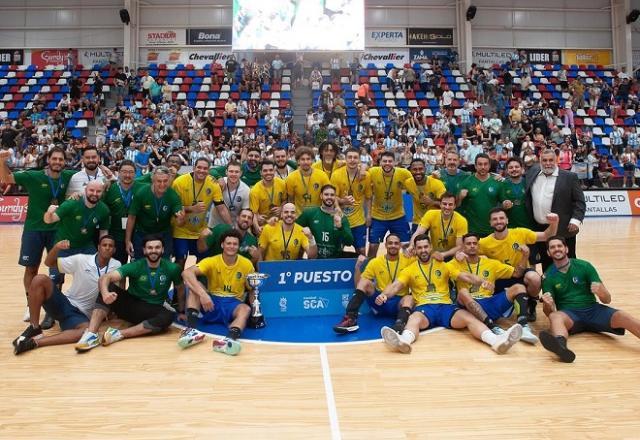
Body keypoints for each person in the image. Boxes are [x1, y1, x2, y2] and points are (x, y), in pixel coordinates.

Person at [378, 234, 523, 354]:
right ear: (415, 250)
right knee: (414, 319)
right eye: (420, 247)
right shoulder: (409, 270)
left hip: (446, 307)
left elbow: (465, 276)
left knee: (469, 318)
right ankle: (404, 341)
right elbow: (397, 285)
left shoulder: (445, 265)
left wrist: (481, 282)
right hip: (425, 308)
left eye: (426, 247)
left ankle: (496, 341)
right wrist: (385, 294)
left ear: (430, 248)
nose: (423, 250)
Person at [0, 147, 76, 325]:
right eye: (54, 159)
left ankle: (53, 309)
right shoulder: (33, 176)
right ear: (48, 160)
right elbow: (6, 179)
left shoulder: (69, 176)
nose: (58, 162)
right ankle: (30, 303)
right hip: (34, 229)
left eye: (61, 159)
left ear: (65, 162)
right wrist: (1, 162)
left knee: (57, 270)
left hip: (57, 230)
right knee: (31, 269)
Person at [12, 236, 121, 355]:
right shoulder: (81, 260)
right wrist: (56, 248)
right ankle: (34, 327)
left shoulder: (116, 266)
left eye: (110, 246)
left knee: (86, 332)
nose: (107, 248)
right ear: (98, 247)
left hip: (79, 316)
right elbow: (49, 263)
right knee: (39, 279)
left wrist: (110, 312)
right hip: (65, 303)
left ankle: (35, 342)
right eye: (104, 245)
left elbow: (114, 291)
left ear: (114, 250)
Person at [74, 234, 184, 351]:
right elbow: (105, 277)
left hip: (152, 309)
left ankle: (117, 334)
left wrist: (181, 311)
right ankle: (91, 335)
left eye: (157, 247)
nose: (153, 251)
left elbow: (180, 290)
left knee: (168, 316)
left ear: (162, 250)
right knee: (109, 286)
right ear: (144, 250)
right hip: (131, 305)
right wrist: (106, 293)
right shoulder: (136, 266)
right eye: (150, 248)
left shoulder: (173, 268)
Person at [539, 236, 640, 363]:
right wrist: (548, 304)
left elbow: (607, 299)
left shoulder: (584, 266)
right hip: (570, 315)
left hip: (594, 310)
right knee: (555, 317)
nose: (556, 249)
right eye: (552, 247)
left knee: (623, 316)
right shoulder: (548, 276)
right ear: (548, 253)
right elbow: (549, 312)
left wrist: (601, 291)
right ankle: (561, 347)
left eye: (559, 246)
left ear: (566, 249)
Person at [448, 233, 538, 344]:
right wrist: (455, 256)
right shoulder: (453, 264)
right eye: (468, 244)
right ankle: (492, 326)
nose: (472, 246)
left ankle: (524, 326)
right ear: (463, 247)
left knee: (519, 287)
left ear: (479, 246)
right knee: (462, 292)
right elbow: (460, 275)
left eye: (475, 243)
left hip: (489, 302)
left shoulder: (491, 264)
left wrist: (525, 256)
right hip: (468, 306)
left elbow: (517, 273)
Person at [180, 230, 256, 355]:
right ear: (222, 245)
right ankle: (191, 331)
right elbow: (186, 273)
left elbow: (252, 288)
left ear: (238, 246)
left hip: (233, 303)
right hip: (211, 302)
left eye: (235, 244)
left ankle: (229, 340)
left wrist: (255, 313)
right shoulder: (212, 261)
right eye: (228, 243)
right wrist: (203, 295)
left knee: (245, 309)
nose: (231, 246)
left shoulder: (246, 264)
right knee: (196, 287)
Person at [479, 207, 558, 321]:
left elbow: (546, 236)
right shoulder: (485, 243)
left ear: (507, 220)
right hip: (501, 277)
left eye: (501, 218)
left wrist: (554, 223)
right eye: (495, 219)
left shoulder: (520, 233)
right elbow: (467, 250)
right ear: (490, 223)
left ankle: (531, 303)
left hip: (521, 274)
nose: (498, 221)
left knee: (534, 278)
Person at [333, 234, 415, 334]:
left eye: (396, 243)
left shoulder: (409, 260)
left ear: (400, 245)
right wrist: (358, 267)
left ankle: (399, 325)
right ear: (385, 245)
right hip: (379, 301)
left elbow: (426, 258)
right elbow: (358, 285)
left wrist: (413, 249)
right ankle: (351, 319)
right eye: (390, 243)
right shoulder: (375, 262)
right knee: (365, 282)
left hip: (398, 304)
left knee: (409, 298)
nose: (393, 245)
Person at [525, 149, 586, 271]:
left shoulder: (569, 177)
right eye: (544, 160)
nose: (548, 163)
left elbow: (579, 202)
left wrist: (575, 220)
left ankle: (572, 287)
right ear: (540, 161)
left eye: (551, 160)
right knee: (546, 263)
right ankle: (549, 288)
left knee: (568, 262)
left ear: (556, 160)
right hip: (540, 229)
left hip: (563, 227)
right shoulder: (533, 172)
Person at [172, 157, 230, 268]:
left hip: (200, 231)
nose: (202, 171)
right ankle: (179, 285)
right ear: (193, 168)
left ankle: (197, 283)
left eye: (205, 168)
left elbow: (221, 208)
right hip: (181, 229)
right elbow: (174, 208)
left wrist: (230, 226)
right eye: (199, 167)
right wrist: (192, 209)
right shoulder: (179, 182)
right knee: (180, 260)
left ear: (208, 170)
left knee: (202, 262)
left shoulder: (213, 183)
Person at [126, 166, 185, 260]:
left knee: (164, 265)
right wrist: (128, 240)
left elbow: (180, 221)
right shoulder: (141, 193)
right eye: (159, 181)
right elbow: (131, 217)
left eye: (165, 181)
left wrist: (181, 219)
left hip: (163, 234)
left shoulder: (173, 195)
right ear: (153, 180)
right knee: (139, 265)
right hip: (142, 233)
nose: (162, 184)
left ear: (169, 180)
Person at [43, 180, 111, 257]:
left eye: (98, 191)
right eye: (91, 190)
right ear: (85, 190)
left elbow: (103, 232)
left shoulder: (104, 209)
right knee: (57, 268)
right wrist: (49, 213)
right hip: (64, 246)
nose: (95, 194)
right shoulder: (71, 203)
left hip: (86, 247)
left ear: (102, 193)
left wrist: (102, 247)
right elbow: (49, 220)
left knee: (96, 267)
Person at [367, 151, 413, 257]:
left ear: (395, 163)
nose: (387, 163)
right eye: (384, 161)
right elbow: (361, 173)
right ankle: (370, 269)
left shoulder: (404, 173)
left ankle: (408, 270)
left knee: (406, 245)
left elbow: (415, 186)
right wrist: (368, 215)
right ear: (380, 162)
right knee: (373, 246)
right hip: (377, 216)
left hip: (398, 216)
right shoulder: (372, 172)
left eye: (390, 161)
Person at [331, 148, 372, 255]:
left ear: (359, 160)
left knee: (362, 251)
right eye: (349, 157)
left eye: (355, 157)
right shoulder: (336, 174)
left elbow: (368, 198)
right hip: (341, 220)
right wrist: (339, 206)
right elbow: (333, 197)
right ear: (345, 159)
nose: (352, 160)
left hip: (358, 221)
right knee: (337, 251)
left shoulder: (366, 176)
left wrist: (368, 215)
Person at [296, 184, 353, 259]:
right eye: (326, 194)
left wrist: (340, 227)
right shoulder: (310, 213)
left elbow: (349, 242)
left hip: (335, 261)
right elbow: (294, 228)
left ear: (335, 198)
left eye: (332, 195)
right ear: (321, 196)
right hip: (315, 260)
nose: (329, 197)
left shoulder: (341, 218)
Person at [409, 192, 468, 261]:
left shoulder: (461, 221)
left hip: (452, 255)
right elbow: (418, 233)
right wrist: (411, 246)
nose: (447, 207)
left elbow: (459, 247)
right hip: (434, 253)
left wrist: (443, 254)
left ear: (455, 206)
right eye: (444, 204)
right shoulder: (430, 214)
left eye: (450, 204)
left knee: (460, 255)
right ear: (440, 204)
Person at [103, 160, 139, 265]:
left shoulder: (142, 187)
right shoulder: (110, 189)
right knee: (118, 269)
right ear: (118, 172)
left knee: (136, 270)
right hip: (116, 236)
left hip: (137, 236)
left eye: (131, 172)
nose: (127, 175)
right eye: (124, 171)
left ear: (135, 174)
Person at [458, 153, 502, 237]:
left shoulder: (497, 181)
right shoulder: (467, 182)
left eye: (485, 164)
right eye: (480, 164)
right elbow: (457, 205)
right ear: (475, 166)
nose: (483, 167)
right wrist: (460, 198)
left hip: (493, 229)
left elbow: (504, 203)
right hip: (472, 230)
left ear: (489, 166)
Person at [403, 158, 446, 233]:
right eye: (415, 169)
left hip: (435, 221)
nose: (418, 172)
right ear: (410, 171)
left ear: (425, 169)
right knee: (414, 243)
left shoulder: (437, 183)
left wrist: (432, 202)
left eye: (420, 169)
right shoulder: (408, 183)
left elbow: (446, 205)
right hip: (418, 222)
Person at [286, 146, 330, 214]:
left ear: (312, 160)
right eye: (302, 159)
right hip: (299, 216)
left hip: (318, 215)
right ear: (298, 161)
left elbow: (328, 196)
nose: (305, 162)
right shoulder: (291, 178)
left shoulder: (322, 175)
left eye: (308, 159)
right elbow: (290, 200)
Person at [209, 161, 250, 227]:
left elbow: (244, 211)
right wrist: (219, 177)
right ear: (226, 172)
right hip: (214, 224)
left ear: (241, 173)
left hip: (233, 226)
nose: (233, 174)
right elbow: (210, 170)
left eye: (236, 172)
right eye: (231, 171)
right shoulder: (219, 183)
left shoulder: (246, 190)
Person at [249, 160, 286, 234]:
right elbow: (254, 213)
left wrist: (281, 208)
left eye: (270, 170)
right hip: (264, 224)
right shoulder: (255, 191)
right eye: (265, 170)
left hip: (279, 223)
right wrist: (257, 229)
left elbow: (285, 200)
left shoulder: (282, 183)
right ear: (260, 172)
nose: (268, 173)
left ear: (274, 171)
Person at [499, 157, 534, 229]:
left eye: (517, 167)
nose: (514, 169)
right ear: (507, 170)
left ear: (522, 168)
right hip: (510, 226)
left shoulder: (529, 182)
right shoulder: (502, 184)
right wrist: (504, 205)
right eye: (511, 167)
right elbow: (499, 203)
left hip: (528, 225)